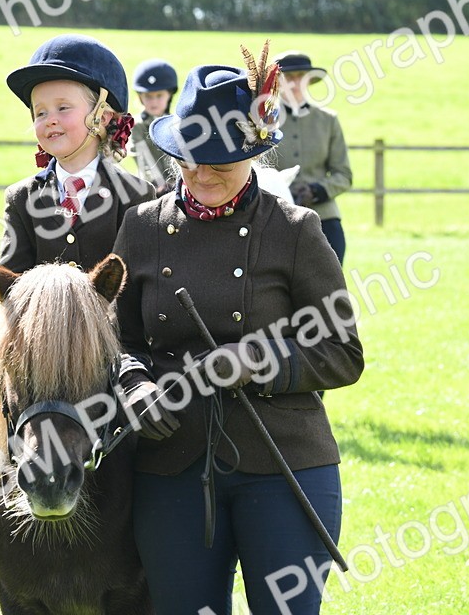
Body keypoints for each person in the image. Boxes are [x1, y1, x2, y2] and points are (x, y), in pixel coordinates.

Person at [111, 62, 364, 614]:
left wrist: (260, 362)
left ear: (253, 154)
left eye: (220, 163)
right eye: (191, 160)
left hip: (284, 463)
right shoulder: (141, 228)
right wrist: (133, 385)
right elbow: (119, 339)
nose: (201, 174)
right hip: (170, 464)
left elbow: (343, 354)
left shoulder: (295, 230)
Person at [0, 33, 154, 547]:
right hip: (36, 344)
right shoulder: (23, 197)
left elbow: (137, 282)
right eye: (38, 112)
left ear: (101, 114)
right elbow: (12, 279)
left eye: (62, 107)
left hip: (112, 345)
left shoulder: (139, 196)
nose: (48, 120)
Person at [272, 51, 353, 263]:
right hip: (276, 218)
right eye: (289, 78)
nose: (296, 83)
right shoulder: (264, 124)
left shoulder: (328, 120)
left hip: (324, 218)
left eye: (301, 77)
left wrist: (316, 191)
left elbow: (343, 174)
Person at [127, 58, 178, 194]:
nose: (154, 101)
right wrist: (158, 184)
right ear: (140, 97)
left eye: (159, 95)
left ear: (170, 95)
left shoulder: (177, 124)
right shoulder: (136, 126)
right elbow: (142, 159)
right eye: (148, 96)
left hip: (178, 186)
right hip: (152, 188)